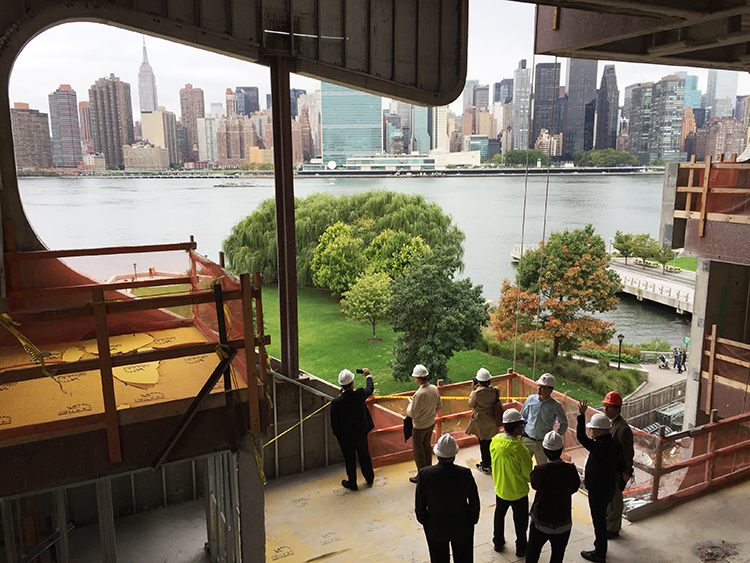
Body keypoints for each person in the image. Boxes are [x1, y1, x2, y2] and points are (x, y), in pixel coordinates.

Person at [415, 434, 480, 563]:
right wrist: (472, 520)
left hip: (435, 527)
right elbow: (474, 500)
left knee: (438, 559)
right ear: (454, 455)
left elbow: (420, 502)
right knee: (463, 559)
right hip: (462, 526)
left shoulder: (425, 474)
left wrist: (425, 521)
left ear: (438, 455)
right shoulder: (464, 474)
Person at [576, 400, 625, 563]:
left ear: (599, 431)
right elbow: (621, 465)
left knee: (599, 521)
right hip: (609, 488)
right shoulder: (615, 445)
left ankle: (599, 553)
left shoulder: (599, 446)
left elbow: (581, 437)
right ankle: (600, 546)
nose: (590, 432)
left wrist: (581, 416)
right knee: (601, 518)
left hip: (598, 490)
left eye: (592, 429)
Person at [526, 431, 581, 563]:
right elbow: (574, 487)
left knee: (533, 553)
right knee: (557, 556)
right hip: (563, 521)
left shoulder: (540, 470)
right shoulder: (570, 469)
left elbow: (534, 485)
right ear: (561, 449)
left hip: (540, 521)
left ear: (545, 450)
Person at [490, 408, 533, 557]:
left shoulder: (495, 442)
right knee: (521, 521)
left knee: (499, 515)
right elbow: (528, 472)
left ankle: (498, 542)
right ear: (515, 427)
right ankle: (521, 547)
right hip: (518, 491)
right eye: (521, 425)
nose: (522, 427)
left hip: (501, 488)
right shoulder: (520, 449)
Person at [329, 368, 375, 491]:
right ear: (352, 383)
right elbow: (370, 389)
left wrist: (338, 435)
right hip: (361, 433)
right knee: (364, 455)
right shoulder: (359, 394)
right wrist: (368, 376)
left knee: (349, 459)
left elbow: (334, 423)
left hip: (346, 437)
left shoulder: (336, 402)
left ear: (341, 384)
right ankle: (369, 478)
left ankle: (352, 483)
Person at [602, 392, 634, 540]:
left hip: (617, 470)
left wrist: (626, 471)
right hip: (609, 469)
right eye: (605, 406)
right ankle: (609, 524)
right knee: (609, 498)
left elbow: (628, 453)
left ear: (617, 409)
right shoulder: (610, 423)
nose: (605, 409)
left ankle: (613, 528)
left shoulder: (623, 429)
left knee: (615, 500)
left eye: (608, 407)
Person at [520, 373, 568, 465]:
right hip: (527, 439)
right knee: (522, 465)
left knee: (543, 468)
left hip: (543, 443)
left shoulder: (556, 405)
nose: (539, 388)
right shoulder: (530, 399)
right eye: (538, 386)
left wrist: (555, 437)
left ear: (550, 390)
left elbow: (564, 423)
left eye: (542, 387)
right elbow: (523, 415)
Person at [407, 364, 443, 483]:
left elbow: (413, 413)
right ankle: (429, 471)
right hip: (430, 423)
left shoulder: (419, 394)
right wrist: (431, 413)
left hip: (419, 426)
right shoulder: (434, 388)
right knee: (427, 447)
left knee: (419, 451)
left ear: (417, 378)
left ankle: (422, 476)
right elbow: (439, 406)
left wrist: (409, 406)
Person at [466, 367, 500, 474]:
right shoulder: (495, 391)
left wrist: (473, 389)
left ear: (478, 381)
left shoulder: (477, 393)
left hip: (481, 422)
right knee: (490, 443)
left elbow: (470, 404)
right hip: (492, 420)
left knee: (483, 444)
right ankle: (490, 462)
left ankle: (486, 465)